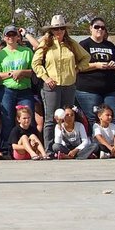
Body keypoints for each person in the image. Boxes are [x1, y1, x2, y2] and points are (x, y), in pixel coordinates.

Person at [32, 15, 91, 154]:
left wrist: (77, 69)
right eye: (56, 29)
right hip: (51, 86)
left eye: (61, 28)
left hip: (69, 85)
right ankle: (49, 149)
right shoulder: (46, 44)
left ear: (65, 29)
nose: (58, 31)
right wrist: (45, 77)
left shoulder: (71, 44)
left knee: (68, 116)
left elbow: (86, 57)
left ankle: (66, 147)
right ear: (51, 30)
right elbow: (35, 63)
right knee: (51, 118)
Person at [0, 25, 35, 152]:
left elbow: (34, 71)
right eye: (8, 35)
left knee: (27, 119)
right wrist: (12, 73)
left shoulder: (27, 51)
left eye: (13, 34)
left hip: (24, 90)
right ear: (4, 37)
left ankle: (30, 147)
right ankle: (7, 148)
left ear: (18, 36)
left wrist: (22, 72)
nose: (11, 37)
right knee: (7, 120)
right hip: (6, 90)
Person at [76, 18, 115, 130]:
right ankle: (97, 146)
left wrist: (114, 65)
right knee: (94, 120)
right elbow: (76, 67)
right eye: (97, 27)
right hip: (88, 90)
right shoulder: (83, 45)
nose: (100, 29)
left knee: (114, 118)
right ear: (91, 28)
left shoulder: (110, 45)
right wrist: (96, 65)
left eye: (102, 27)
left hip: (111, 89)